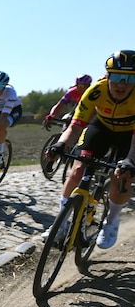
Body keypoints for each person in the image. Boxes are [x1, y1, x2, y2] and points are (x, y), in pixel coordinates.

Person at [44, 51, 135, 248]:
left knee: (122, 176)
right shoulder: (96, 91)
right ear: (108, 76)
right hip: (100, 128)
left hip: (130, 136)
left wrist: (130, 161)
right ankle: (60, 223)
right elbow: (76, 126)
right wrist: (61, 144)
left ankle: (112, 221)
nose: (122, 84)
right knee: (78, 169)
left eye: (129, 79)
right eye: (117, 77)